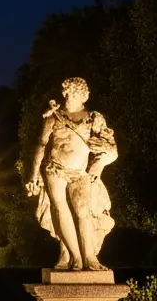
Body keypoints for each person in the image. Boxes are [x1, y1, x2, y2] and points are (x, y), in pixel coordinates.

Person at [25, 76, 117, 270]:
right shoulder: (53, 117)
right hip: (54, 169)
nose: (69, 96)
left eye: (75, 92)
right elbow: (41, 145)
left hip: (79, 172)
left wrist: (98, 166)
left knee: (83, 212)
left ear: (84, 96)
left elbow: (112, 150)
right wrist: (33, 175)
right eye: (68, 91)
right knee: (60, 209)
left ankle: (89, 257)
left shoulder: (93, 118)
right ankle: (75, 257)